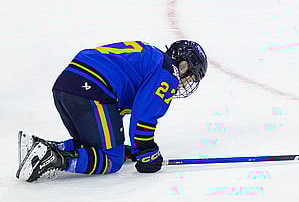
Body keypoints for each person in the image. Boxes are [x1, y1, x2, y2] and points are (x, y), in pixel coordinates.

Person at [16, 40, 207, 182]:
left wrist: (128, 148)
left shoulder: (151, 56)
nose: (187, 82)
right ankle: (54, 159)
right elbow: (143, 119)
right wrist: (146, 153)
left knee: (94, 148)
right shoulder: (168, 71)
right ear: (184, 65)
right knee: (111, 159)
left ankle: (42, 148)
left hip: (66, 85)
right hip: (93, 90)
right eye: (191, 76)